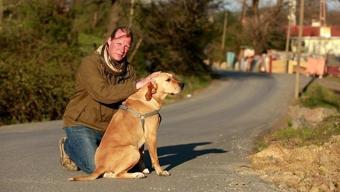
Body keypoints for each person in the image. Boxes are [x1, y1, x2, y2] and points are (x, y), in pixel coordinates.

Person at [59, 26, 158, 173]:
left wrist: (157, 88)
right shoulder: (90, 63)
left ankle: (98, 147)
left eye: (126, 46)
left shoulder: (129, 70)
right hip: (82, 123)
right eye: (119, 44)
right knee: (98, 168)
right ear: (109, 41)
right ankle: (68, 146)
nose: (122, 49)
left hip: (110, 128)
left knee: (128, 165)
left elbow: (132, 102)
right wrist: (137, 84)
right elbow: (103, 93)